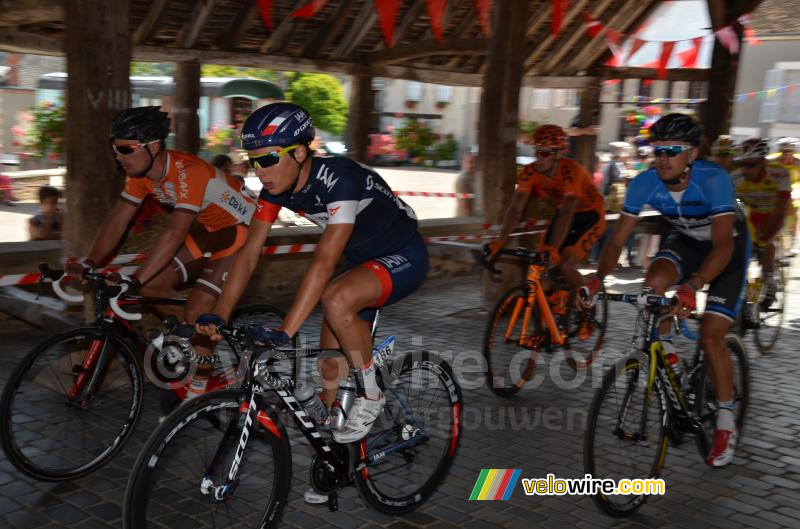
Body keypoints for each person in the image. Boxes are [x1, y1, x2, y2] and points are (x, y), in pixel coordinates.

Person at [195, 103, 427, 452]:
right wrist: (220, 313)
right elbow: (249, 253)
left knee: (335, 298)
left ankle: (371, 392)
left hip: (404, 254)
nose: (260, 171)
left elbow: (324, 261)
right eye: (253, 160)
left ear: (300, 152)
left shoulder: (340, 178)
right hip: (362, 263)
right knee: (327, 363)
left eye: (268, 159)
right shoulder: (275, 190)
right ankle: (336, 459)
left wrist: (286, 331)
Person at [581, 113, 750, 467]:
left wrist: (693, 285)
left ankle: (725, 420)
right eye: (655, 150)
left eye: (672, 150)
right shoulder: (644, 182)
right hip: (687, 242)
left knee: (711, 336)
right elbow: (617, 241)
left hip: (727, 250)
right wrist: (598, 277)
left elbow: (721, 247)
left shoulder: (713, 180)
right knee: (652, 287)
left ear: (692, 153)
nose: (662, 158)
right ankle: (669, 359)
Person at [66, 106, 255, 399]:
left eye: (125, 149)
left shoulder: (187, 171)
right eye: (115, 149)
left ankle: (198, 391)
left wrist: (135, 280)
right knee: (155, 287)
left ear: (153, 146)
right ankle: (196, 341)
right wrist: (90, 261)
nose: (118, 156)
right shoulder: (141, 176)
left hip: (242, 232)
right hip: (212, 231)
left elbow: (175, 232)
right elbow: (118, 220)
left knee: (195, 310)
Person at [486, 124, 606, 296]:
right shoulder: (530, 172)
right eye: (537, 151)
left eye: (545, 153)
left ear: (558, 154)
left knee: (564, 264)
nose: (539, 158)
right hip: (563, 214)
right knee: (542, 264)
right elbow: (516, 209)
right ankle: (556, 305)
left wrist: (553, 248)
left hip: (590, 216)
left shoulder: (571, 171)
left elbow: (567, 212)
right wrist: (498, 242)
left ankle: (588, 305)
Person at [732, 138, 790, 307]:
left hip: (774, 212)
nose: (746, 169)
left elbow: (780, 213)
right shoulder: (736, 178)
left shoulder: (779, 174)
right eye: (743, 164)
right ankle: (751, 302)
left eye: (751, 164)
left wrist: (764, 242)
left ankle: (769, 278)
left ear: (763, 162)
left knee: (765, 243)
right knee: (745, 250)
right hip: (752, 213)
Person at [774, 137, 800, 254]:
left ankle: (794, 241)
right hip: (777, 190)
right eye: (783, 152)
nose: (785, 155)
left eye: (788, 152)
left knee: (793, 213)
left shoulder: (798, 163)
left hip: (794, 189)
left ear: (793, 152)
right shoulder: (773, 162)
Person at [454, 151, 479, 217]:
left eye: (474, 162)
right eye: (469, 162)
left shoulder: (473, 176)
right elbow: (464, 206)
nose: (472, 165)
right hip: (466, 217)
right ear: (463, 163)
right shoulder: (463, 179)